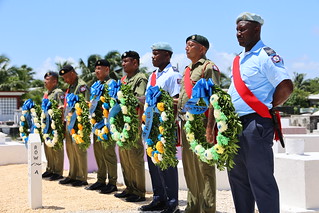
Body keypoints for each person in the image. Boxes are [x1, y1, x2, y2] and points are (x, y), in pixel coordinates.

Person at [227, 12, 293, 213]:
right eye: (237, 29)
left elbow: (286, 86)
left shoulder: (265, 55)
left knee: (260, 179)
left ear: (257, 29)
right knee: (238, 180)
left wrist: (267, 107)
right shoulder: (239, 59)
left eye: (243, 29)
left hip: (256, 124)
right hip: (236, 125)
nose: (239, 33)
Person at [177, 34, 220, 213]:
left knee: (205, 168)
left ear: (202, 49)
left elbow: (215, 98)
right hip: (186, 124)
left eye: (191, 45)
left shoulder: (209, 68)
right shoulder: (187, 70)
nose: (186, 48)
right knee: (190, 167)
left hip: (202, 125)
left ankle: (207, 208)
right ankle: (192, 206)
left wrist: (210, 127)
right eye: (186, 45)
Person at [139, 42, 181, 213]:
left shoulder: (173, 74)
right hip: (151, 124)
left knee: (167, 163)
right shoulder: (153, 76)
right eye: (153, 53)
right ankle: (159, 198)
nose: (153, 57)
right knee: (153, 160)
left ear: (167, 55)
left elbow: (176, 100)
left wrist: (170, 123)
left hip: (165, 125)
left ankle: (172, 202)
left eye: (156, 54)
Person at [114, 51, 147, 202]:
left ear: (135, 63)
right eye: (122, 61)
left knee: (135, 158)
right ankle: (129, 187)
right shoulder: (123, 79)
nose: (123, 64)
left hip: (134, 122)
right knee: (125, 157)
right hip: (122, 123)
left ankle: (139, 191)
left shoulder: (140, 78)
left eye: (126, 61)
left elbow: (140, 98)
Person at [85, 59, 118, 194]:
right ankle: (100, 180)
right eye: (96, 69)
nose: (97, 71)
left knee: (108, 153)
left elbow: (114, 103)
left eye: (100, 68)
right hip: (96, 124)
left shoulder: (112, 84)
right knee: (98, 153)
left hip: (107, 124)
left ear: (107, 70)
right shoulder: (95, 85)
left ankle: (112, 182)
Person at [58, 65, 90, 187]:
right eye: (63, 78)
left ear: (72, 73)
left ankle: (82, 177)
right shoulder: (70, 87)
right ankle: (72, 175)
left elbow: (86, 103)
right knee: (70, 149)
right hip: (69, 122)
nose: (65, 80)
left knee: (79, 150)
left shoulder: (81, 86)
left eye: (66, 77)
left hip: (78, 124)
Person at [41, 71, 65, 181]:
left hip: (55, 125)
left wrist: (60, 125)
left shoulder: (58, 92)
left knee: (56, 148)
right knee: (48, 148)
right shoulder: (47, 94)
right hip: (47, 125)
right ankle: (50, 168)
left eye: (47, 79)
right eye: (45, 79)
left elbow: (61, 108)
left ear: (54, 81)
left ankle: (58, 171)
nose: (45, 81)